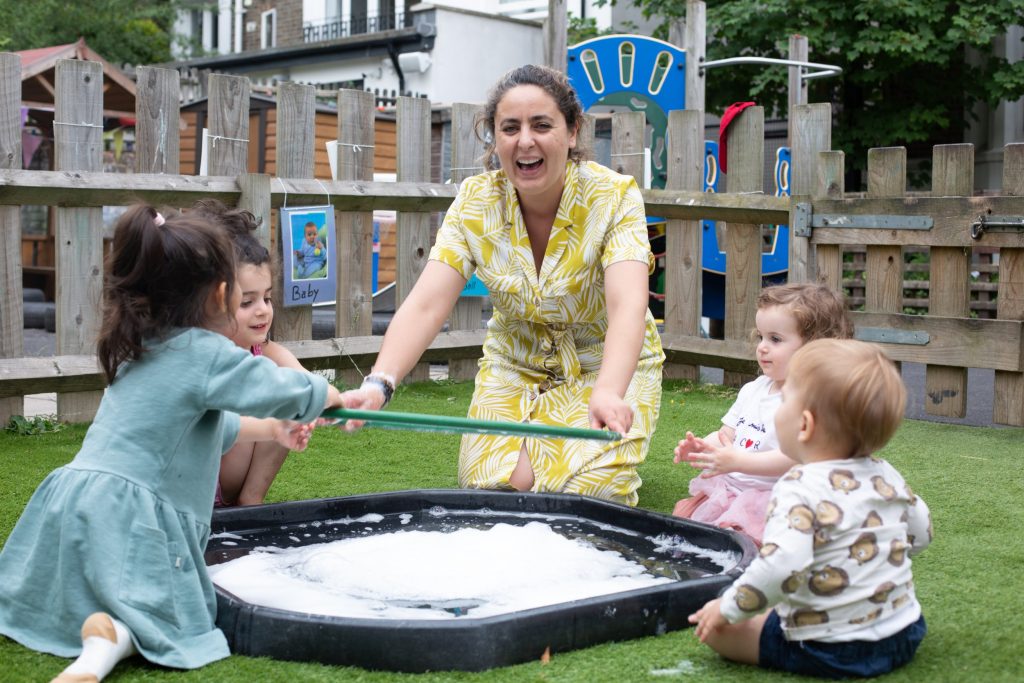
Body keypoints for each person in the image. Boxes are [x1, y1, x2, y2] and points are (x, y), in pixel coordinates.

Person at [0, 205, 346, 681]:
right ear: (221, 293)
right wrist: (325, 394)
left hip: (74, 503)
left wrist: (270, 430)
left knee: (78, 600)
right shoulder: (204, 352)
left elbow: (199, 428)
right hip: (132, 515)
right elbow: (273, 384)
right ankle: (117, 639)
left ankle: (102, 645)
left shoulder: (142, 343)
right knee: (174, 615)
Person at [341, 64, 665, 506]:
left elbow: (628, 303)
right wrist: (379, 384)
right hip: (514, 365)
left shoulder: (615, 196)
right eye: (509, 128)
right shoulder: (475, 202)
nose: (524, 141)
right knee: (489, 491)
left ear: (572, 133)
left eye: (541, 125)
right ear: (495, 138)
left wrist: (607, 390)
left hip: (605, 365)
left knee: (589, 496)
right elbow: (426, 305)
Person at [689, 338, 931, 679]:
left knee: (717, 630)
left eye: (783, 400)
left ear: (804, 425)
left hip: (829, 646)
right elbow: (920, 534)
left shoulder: (797, 485)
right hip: (904, 631)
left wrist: (727, 609)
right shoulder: (886, 474)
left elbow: (782, 566)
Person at [672, 282, 853, 542]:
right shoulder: (754, 389)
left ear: (815, 348)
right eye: (761, 336)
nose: (762, 347)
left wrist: (739, 462)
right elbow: (727, 435)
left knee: (747, 546)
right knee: (693, 534)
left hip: (774, 499)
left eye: (775, 339)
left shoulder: (813, 401)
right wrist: (703, 448)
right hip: (731, 489)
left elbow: (795, 457)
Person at [192, 199, 312, 507]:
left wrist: (316, 395)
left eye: (267, 299)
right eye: (247, 302)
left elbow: (301, 378)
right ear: (213, 301)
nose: (263, 311)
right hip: (198, 483)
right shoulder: (202, 355)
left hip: (233, 478)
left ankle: (251, 500)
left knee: (292, 399)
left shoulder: (261, 347)